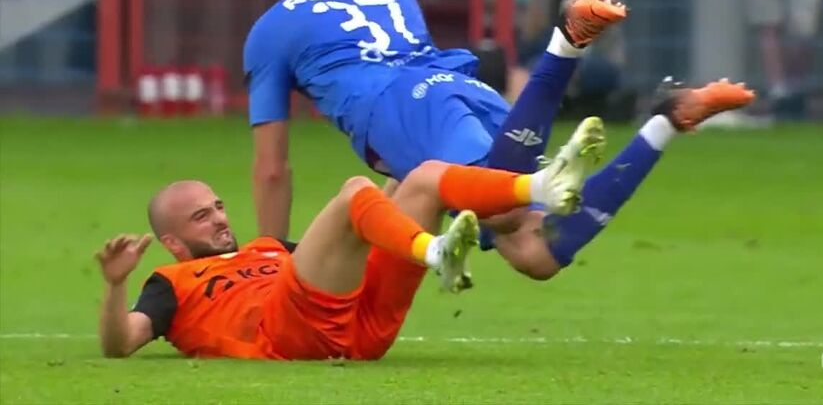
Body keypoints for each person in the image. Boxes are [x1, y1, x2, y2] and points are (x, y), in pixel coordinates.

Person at [246, 0, 753, 283]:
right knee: (537, 252)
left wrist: (268, 258)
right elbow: (415, 161)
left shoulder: (273, 28)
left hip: (407, 107)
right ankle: (666, 119)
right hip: (461, 91)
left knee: (506, 208)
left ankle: (565, 44)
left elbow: (272, 168)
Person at [94, 151, 594, 360]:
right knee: (356, 190)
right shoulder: (172, 282)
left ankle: (539, 187)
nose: (221, 219)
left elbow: (358, 240)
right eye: (201, 217)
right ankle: (437, 251)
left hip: (361, 326)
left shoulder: (267, 248)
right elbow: (121, 344)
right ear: (174, 242)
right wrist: (116, 285)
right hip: (286, 332)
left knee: (421, 175)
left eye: (218, 206)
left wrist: (396, 182)